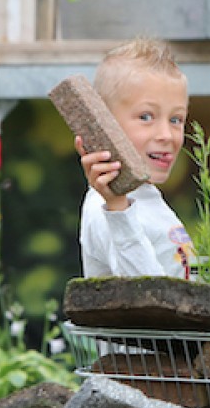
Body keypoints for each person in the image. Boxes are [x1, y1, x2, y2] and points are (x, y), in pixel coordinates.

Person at [76, 37, 195, 278]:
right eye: (146, 117)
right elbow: (144, 294)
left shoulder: (146, 197)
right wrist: (117, 209)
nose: (166, 135)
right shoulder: (104, 211)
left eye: (175, 120)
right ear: (104, 124)